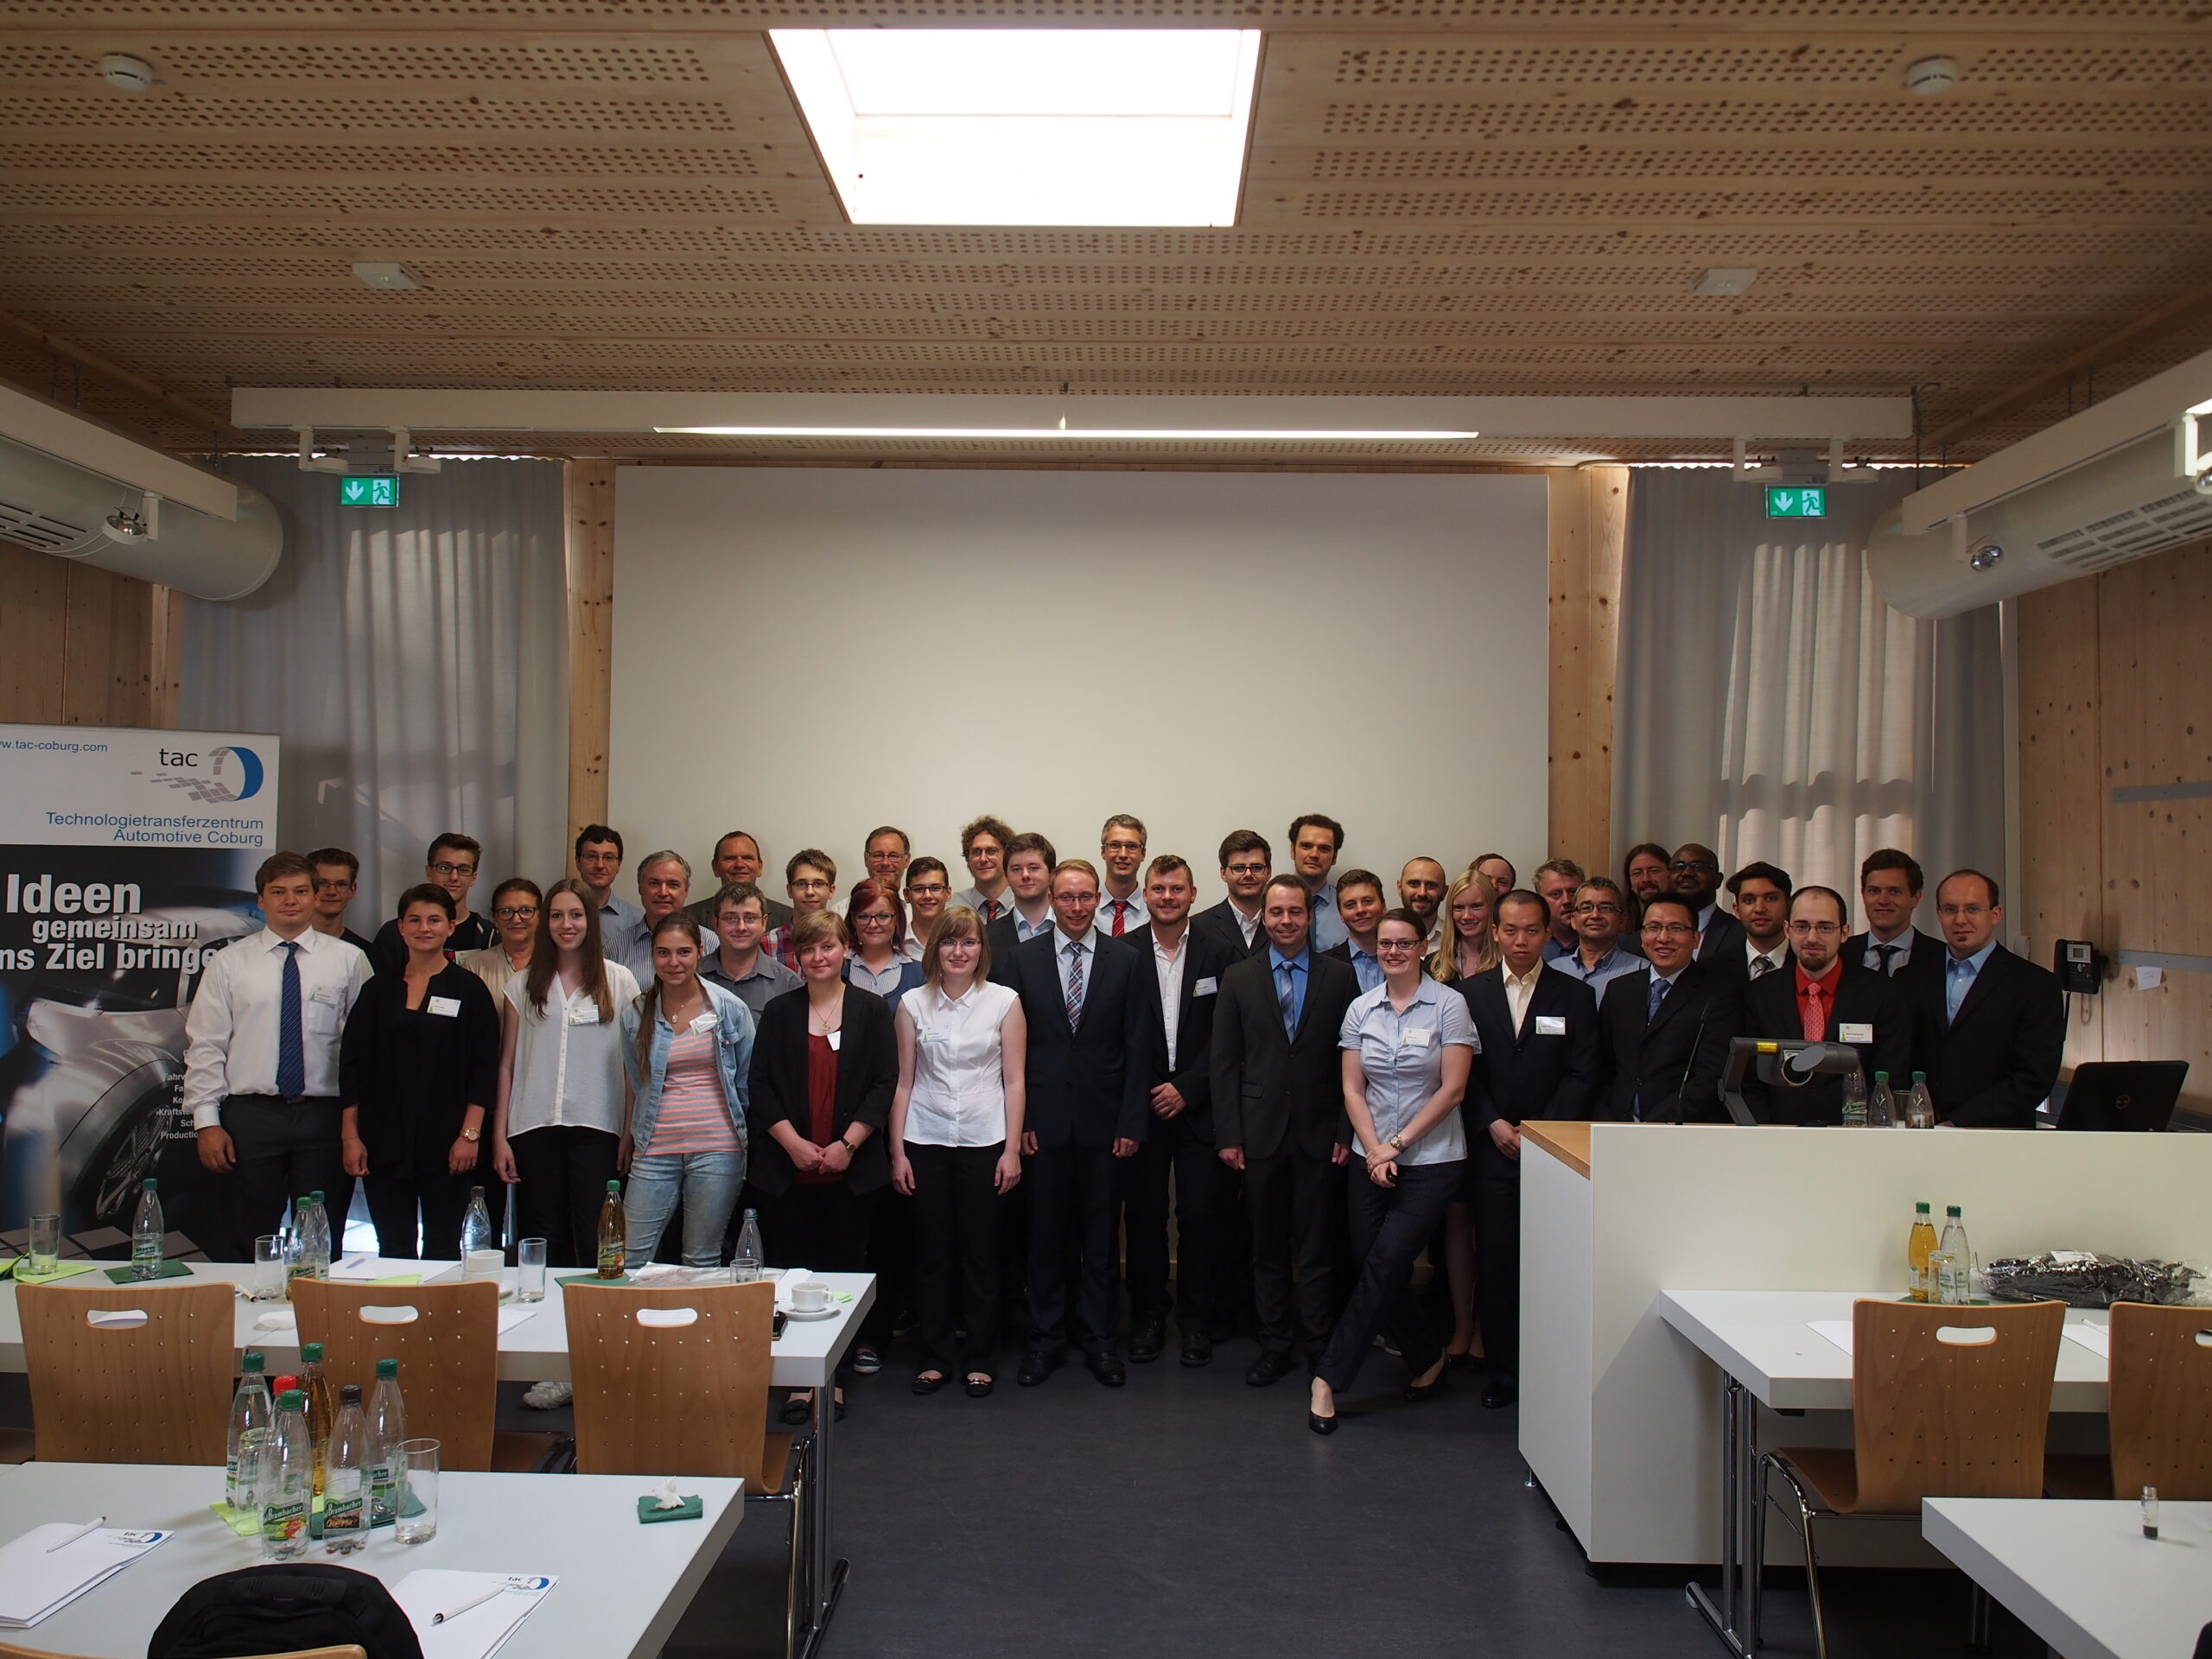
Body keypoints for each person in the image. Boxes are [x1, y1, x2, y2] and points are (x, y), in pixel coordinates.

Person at [1307, 910, 1476, 1433]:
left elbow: (1453, 1090)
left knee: (1386, 1263)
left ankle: (1328, 1379)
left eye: (1405, 943)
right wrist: (1376, 1150)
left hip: (1431, 1161)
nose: (1394, 952)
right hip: (1369, 1157)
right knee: (1372, 1263)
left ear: (1423, 946)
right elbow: (1353, 1088)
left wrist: (1396, 1146)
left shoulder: (1449, 1005)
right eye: (1385, 944)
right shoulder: (1362, 1008)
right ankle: (1428, 1359)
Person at [1001, 861, 1148, 1388]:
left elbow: (1139, 1047)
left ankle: (1101, 1342)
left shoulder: (1128, 960)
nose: (1077, 906)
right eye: (1067, 897)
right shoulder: (1020, 960)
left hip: (1107, 1128)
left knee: (1102, 1241)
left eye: (1086, 897)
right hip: (1041, 1126)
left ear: (1098, 900)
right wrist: (1020, 1123)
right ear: (1052, 901)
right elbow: (1012, 1053)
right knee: (1045, 1239)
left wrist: (1132, 1120)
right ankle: (1045, 1341)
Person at [185, 851, 373, 1260]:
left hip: (325, 1117)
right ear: (261, 900)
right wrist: (206, 1122)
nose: (291, 900)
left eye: (301, 891)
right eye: (279, 892)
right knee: (247, 1239)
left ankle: (318, 1319)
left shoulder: (349, 960)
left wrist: (356, 1125)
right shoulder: (229, 963)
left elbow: (366, 1048)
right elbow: (206, 1045)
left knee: (321, 1240)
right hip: (250, 1118)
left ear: (315, 896)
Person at [1212, 874, 1361, 1386]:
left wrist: (1347, 1130)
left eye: (1295, 912)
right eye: (1276, 913)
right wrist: (1229, 1135)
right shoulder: (1240, 977)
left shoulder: (1340, 977)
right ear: (1265, 917)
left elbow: (1353, 1062)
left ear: (1308, 915)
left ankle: (1319, 1344)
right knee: (1267, 1246)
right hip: (1259, 1135)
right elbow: (1225, 1062)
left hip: (1322, 1133)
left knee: (1318, 1246)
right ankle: (1274, 1343)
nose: (1285, 922)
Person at [749, 909, 897, 1422]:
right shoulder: (779, 1011)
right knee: (793, 1274)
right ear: (798, 956)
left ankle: (830, 1378)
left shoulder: (873, 1011)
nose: (817, 957)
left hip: (850, 1169)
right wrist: (792, 1144)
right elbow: (760, 1086)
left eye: (828, 947)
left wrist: (847, 1145)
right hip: (787, 1168)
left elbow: (885, 1084)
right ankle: (797, 1380)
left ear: (846, 950)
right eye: (808, 949)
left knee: (841, 1272)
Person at [1457, 889, 1599, 1408]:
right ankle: (1505, 1373)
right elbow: (1460, 1075)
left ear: (1547, 933)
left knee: (1553, 1264)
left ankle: (1552, 1370)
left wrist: (1540, 1131)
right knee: (1496, 1262)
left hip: (1555, 1152)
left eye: (1531, 931)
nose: (1520, 940)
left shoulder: (1575, 996)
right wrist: (1493, 1122)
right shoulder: (1468, 994)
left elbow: (1584, 1072)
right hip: (1492, 1149)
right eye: (1510, 930)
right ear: (1494, 932)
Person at [889, 906, 1027, 1397]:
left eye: (968, 943)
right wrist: (897, 1153)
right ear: (935, 950)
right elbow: (903, 1083)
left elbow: (1015, 1081)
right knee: (931, 1256)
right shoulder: (911, 1004)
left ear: (981, 950)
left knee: (981, 1255)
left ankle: (981, 1358)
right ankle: (935, 1355)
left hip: (984, 1142)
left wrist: (1012, 1150)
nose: (958, 951)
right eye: (949, 943)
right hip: (924, 1141)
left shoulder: (1004, 1003)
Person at [339, 884, 500, 1258]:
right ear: (400, 927)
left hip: (448, 1143)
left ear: (448, 926)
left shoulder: (469, 990)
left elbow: (483, 1066)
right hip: (383, 1142)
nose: (424, 928)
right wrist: (351, 1136)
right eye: (415, 920)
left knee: (444, 1246)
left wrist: (470, 1135)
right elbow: (352, 1065)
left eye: (434, 920)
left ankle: (437, 1317)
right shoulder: (377, 990)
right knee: (392, 1246)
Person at [493, 878, 638, 1268]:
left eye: (575, 915)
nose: (566, 924)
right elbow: (507, 1064)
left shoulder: (619, 980)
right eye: (557, 915)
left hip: (598, 1127)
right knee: (542, 1236)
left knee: (597, 1234)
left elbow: (631, 1066)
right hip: (533, 1127)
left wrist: (629, 1131)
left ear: (590, 920)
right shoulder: (521, 984)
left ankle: (594, 1319)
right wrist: (499, 1137)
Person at [1122, 855, 1230, 1368]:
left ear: (1193, 894)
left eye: (1177, 889)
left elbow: (1230, 1039)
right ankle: (1146, 1317)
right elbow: (1116, 1039)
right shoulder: (1122, 954)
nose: (1167, 897)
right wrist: (1153, 1088)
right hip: (1142, 1108)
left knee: (1201, 1216)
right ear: (1145, 894)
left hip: (1200, 1107)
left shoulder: (1222, 953)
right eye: (1158, 889)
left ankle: (1195, 1323)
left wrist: (1187, 1086)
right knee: (1144, 1218)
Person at [619, 912, 754, 1267]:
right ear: (652, 956)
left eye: (683, 952)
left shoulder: (729, 1010)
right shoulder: (635, 1013)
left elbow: (745, 1082)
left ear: (699, 952)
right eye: (663, 953)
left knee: (701, 1259)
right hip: (655, 1149)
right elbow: (637, 1079)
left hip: (718, 1150)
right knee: (628, 1256)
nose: (673, 962)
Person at [1738, 887, 1910, 1125]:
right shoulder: (1760, 994)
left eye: (1825, 927)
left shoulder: (1883, 994)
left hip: (1854, 1139)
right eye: (1802, 926)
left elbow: (1889, 1075)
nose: (1812, 938)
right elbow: (1749, 1079)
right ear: (1787, 930)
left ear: (1844, 933)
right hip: (1777, 1136)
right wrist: (1767, 1132)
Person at [1915, 870, 2063, 1129]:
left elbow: (2033, 1077)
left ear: (1995, 914)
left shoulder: (2036, 986)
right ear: (1939, 915)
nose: (1960, 920)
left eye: (1972, 909)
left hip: (1999, 1137)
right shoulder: (1912, 977)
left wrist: (1958, 1123)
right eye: (1950, 910)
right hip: (1921, 1132)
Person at [1595, 896, 1739, 1122]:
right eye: (1653, 928)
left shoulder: (1718, 994)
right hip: (1616, 1125)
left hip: (1682, 1127)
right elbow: (1602, 1064)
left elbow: (1711, 1075)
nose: (1663, 938)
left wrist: (1660, 1123)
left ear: (1695, 938)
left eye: (1676, 928)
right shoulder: (1620, 990)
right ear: (1642, 937)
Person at [369, 834, 493, 971]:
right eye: (444, 868)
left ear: (473, 878)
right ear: (429, 872)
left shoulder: (489, 935)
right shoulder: (394, 933)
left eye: (463, 870)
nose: (453, 877)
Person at [699, 880, 801, 1018]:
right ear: (715, 923)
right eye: (730, 918)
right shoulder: (693, 977)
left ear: (764, 922)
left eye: (750, 918)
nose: (741, 927)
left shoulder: (788, 984)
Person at [1847, 848, 1943, 991]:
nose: (1883, 900)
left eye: (1894, 892)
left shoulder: (1942, 958)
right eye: (1874, 891)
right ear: (1863, 895)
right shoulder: (1841, 954)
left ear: (1915, 898)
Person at [606, 850, 709, 980]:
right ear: (640, 888)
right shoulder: (616, 948)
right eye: (654, 883)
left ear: (686, 891)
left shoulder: (710, 942)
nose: (663, 892)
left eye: (673, 884)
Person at [1554, 878, 1643, 1001]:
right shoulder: (1553, 970)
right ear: (1573, 920)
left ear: (1622, 920)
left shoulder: (1642, 970)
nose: (1595, 915)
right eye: (1586, 907)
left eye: (1606, 908)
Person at [843, 881, 924, 1009]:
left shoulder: (919, 974)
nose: (873, 924)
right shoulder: (838, 970)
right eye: (863, 916)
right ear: (853, 920)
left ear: (897, 919)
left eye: (883, 916)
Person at [690, 830, 793, 931]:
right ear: (715, 868)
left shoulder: (788, 918)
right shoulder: (690, 918)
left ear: (760, 867)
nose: (739, 865)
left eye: (747, 858)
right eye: (730, 858)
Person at [459, 877, 538, 1002]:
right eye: (506, 911)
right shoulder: (475, 966)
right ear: (495, 919)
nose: (516, 919)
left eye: (526, 910)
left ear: (541, 915)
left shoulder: (558, 963)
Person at [983, 831, 1058, 964]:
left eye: (1033, 868)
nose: (1025, 875)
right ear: (1006, 876)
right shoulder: (986, 937)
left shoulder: (1071, 928)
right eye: (1016, 869)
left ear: (1051, 873)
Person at [1193, 830, 1270, 959]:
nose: (1248, 875)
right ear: (1223, 873)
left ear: (1269, 872)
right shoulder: (1198, 927)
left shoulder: (1285, 923)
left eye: (1256, 867)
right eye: (1239, 868)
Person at [762, 849, 838, 970]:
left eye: (818, 884)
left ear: (831, 891)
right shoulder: (767, 944)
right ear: (789, 890)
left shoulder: (843, 941)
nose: (809, 892)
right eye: (801, 884)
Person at [1670, 842, 1742, 963]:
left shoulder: (1740, 935)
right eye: (1679, 866)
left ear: (1717, 880)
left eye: (1697, 866)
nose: (1687, 873)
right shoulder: (1642, 938)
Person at [1322, 868, 1389, 993]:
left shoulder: (1402, 958)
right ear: (1341, 915)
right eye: (1350, 905)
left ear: (1384, 906)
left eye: (1368, 901)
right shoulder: (1323, 966)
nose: (1360, 910)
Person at [1429, 869, 1500, 988]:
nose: (1467, 916)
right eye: (1459, 908)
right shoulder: (1432, 965)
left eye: (1476, 906)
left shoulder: (1508, 962)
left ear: (1491, 908)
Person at [1289, 813, 1350, 950]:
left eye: (1324, 849)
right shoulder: (1268, 906)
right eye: (1306, 846)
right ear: (1293, 851)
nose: (1314, 855)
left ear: (1334, 857)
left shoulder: (1349, 910)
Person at [1726, 861, 1794, 980]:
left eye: (1770, 898)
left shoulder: (1808, 963)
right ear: (1737, 911)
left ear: (1788, 906)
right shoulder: (1713, 971)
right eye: (1749, 900)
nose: (1759, 909)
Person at [575, 823, 641, 938]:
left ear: (619, 865)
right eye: (591, 856)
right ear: (578, 862)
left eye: (608, 858)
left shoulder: (635, 920)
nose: (600, 865)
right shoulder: (558, 913)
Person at [306, 847, 374, 955]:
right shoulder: (287, 946)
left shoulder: (365, 953)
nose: (332, 892)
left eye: (341, 884)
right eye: (322, 883)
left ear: (352, 890)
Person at [953, 815, 1015, 922]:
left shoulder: (1024, 904)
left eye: (991, 851)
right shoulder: (952, 907)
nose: (983, 859)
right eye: (976, 852)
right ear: (968, 860)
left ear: (1007, 856)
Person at [1097, 814, 1150, 938]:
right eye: (1115, 845)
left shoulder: (1154, 910)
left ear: (1143, 854)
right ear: (1103, 852)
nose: (1123, 854)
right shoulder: (1084, 908)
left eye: (1131, 846)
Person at [1532, 858, 1586, 961]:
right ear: (1540, 901)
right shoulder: (1530, 944)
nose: (1567, 901)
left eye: (1573, 892)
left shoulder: (1609, 941)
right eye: (1556, 894)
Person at [900, 857, 954, 961]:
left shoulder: (964, 946)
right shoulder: (895, 946)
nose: (927, 896)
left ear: (948, 893)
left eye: (935, 888)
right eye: (919, 889)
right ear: (907, 895)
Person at [1396, 857, 1447, 941]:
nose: (1422, 893)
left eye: (1431, 885)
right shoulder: (1382, 937)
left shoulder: (1457, 939)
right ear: (1399, 888)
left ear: (1444, 892)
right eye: (1414, 884)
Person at [1621, 842, 1672, 918]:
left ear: (1670, 874)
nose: (1646, 879)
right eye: (1637, 873)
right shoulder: (1620, 923)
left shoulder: (1686, 918)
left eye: (1654, 871)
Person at [863, 825, 912, 896]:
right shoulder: (846, 907)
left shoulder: (916, 906)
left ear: (907, 860)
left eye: (894, 856)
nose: (885, 863)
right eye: (878, 855)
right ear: (866, 859)